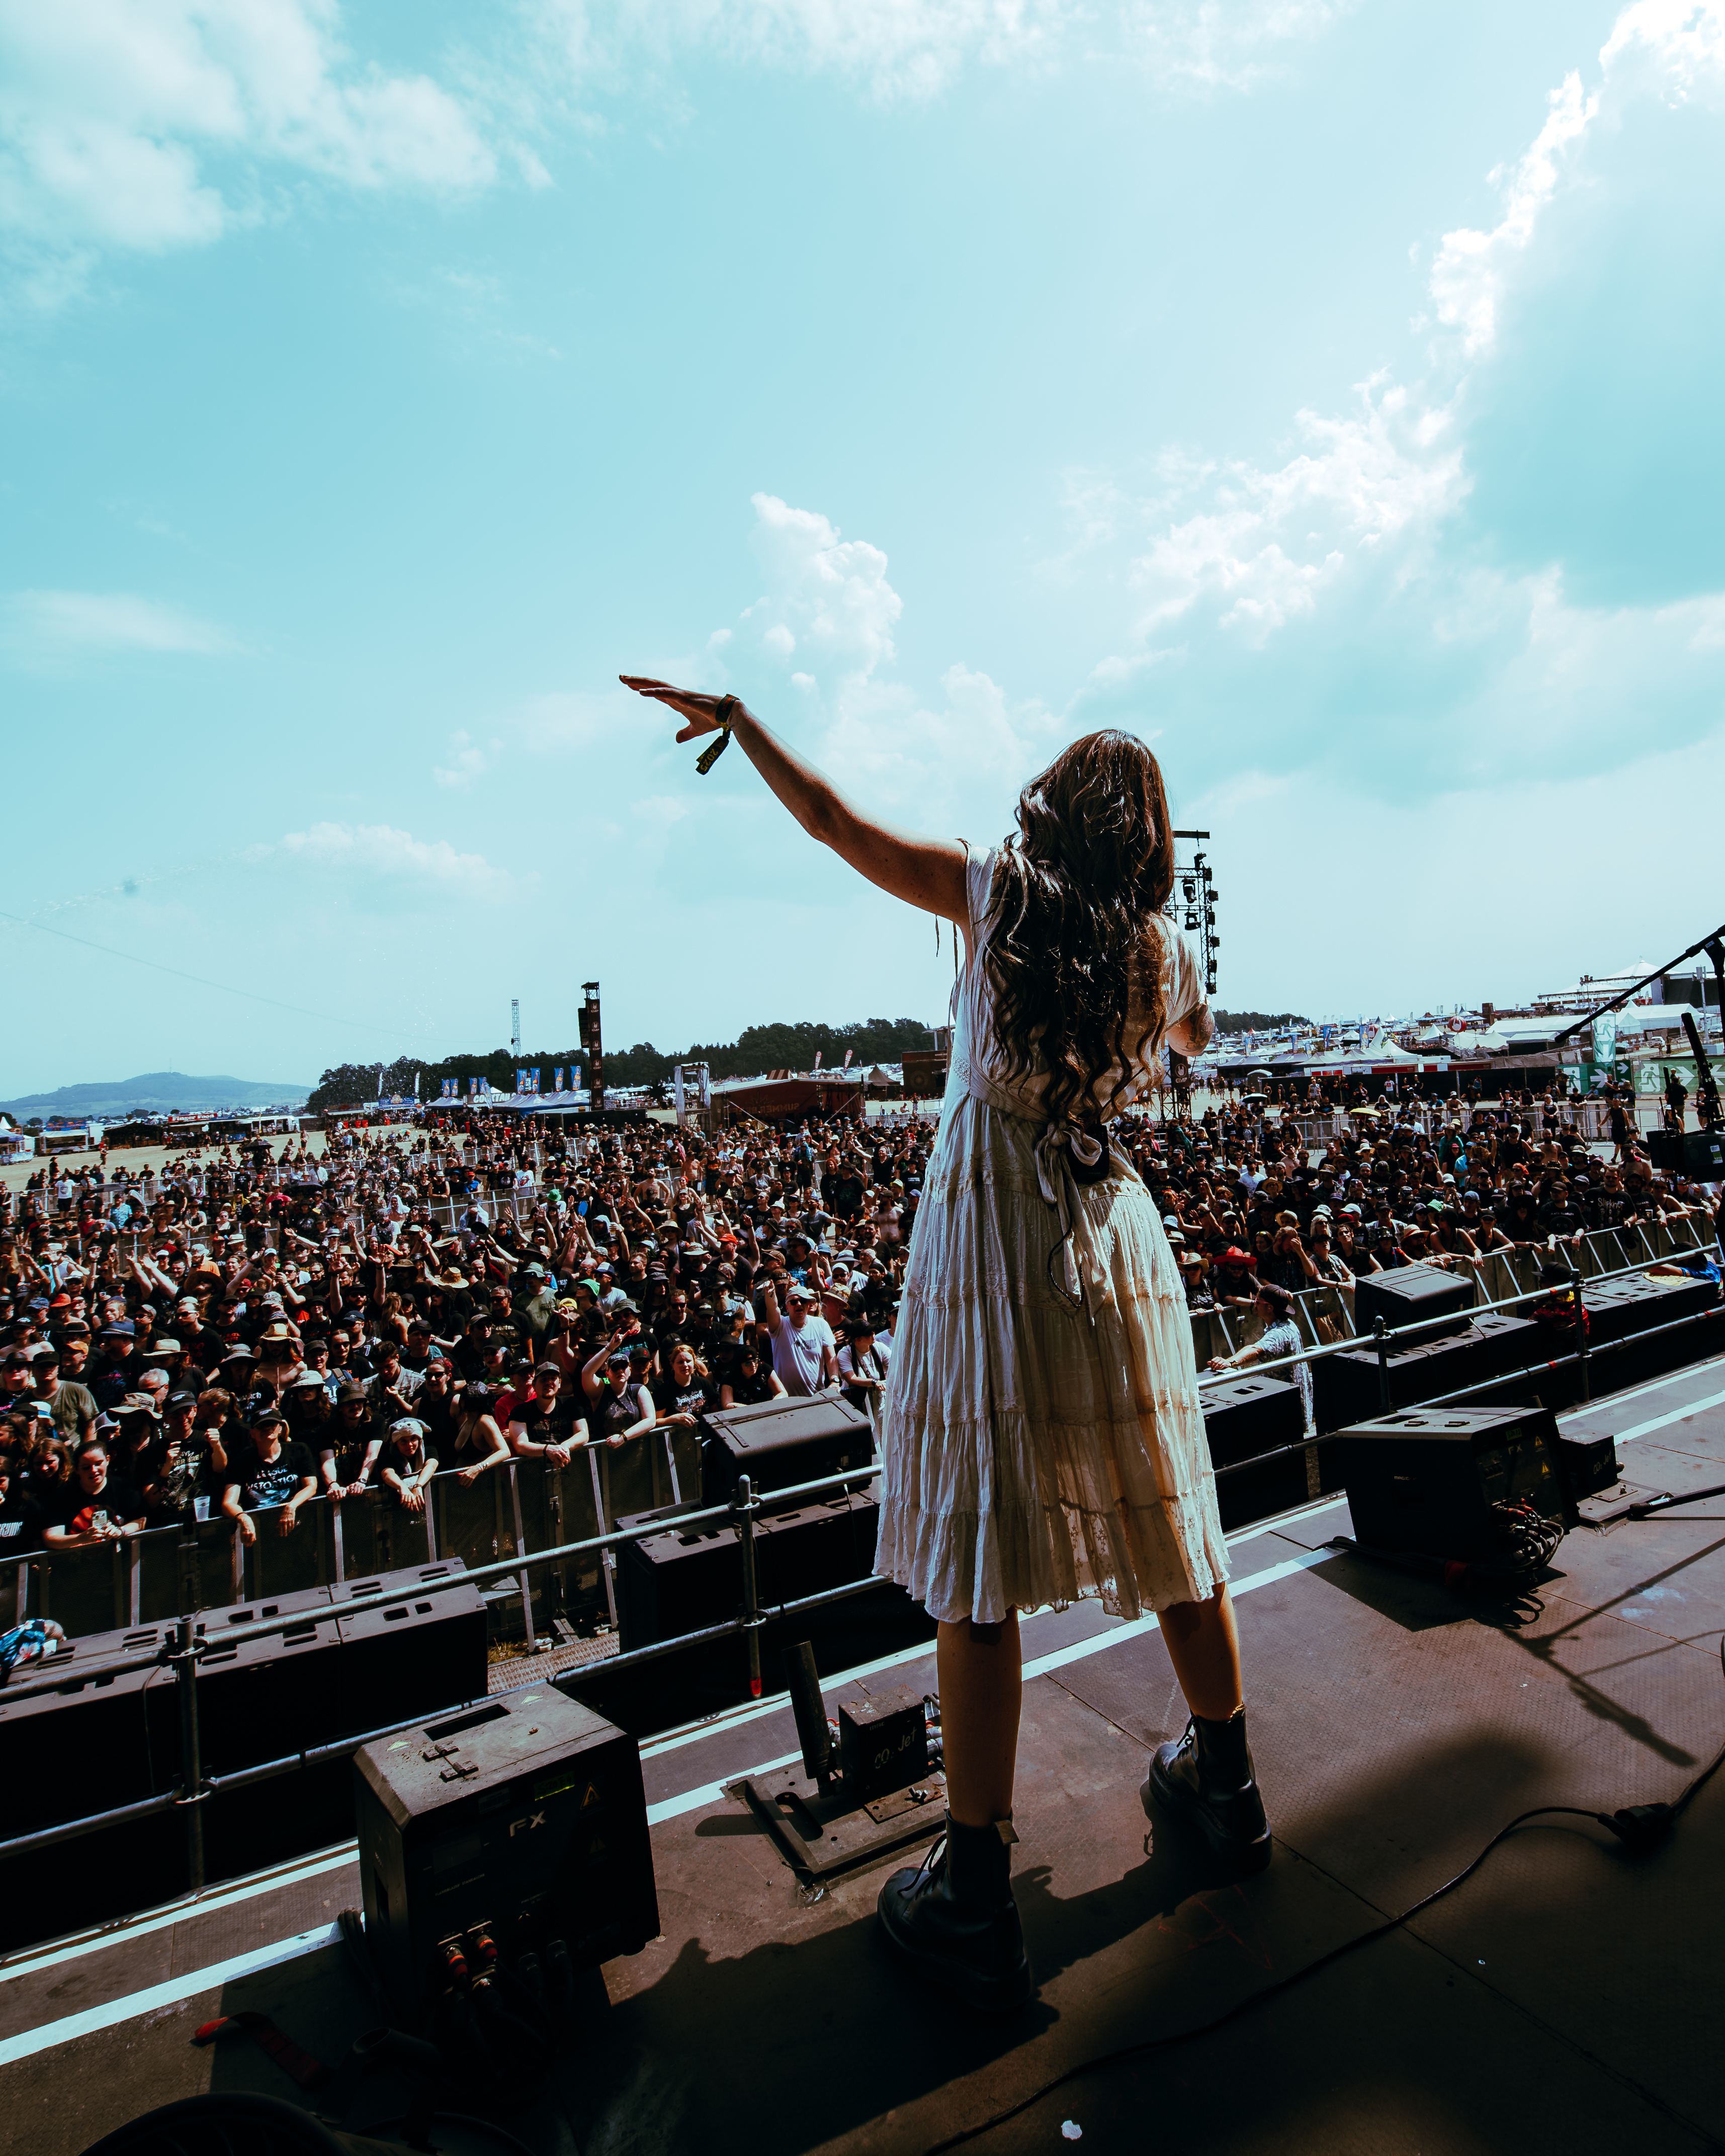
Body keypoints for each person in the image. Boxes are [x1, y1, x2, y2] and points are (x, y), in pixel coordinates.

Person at [627, 683, 1256, 2015]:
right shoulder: (1157, 945)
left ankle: (973, 1886)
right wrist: (1164, 973)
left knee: (976, 1549)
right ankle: (1230, 1783)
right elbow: (1196, 1039)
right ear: (1142, 838)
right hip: (1107, 1221)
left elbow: (831, 822)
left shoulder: (991, 892)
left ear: (1051, 801)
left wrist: (740, 719)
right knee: (1162, 1502)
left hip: (993, 1224)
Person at [222, 1403, 318, 1544]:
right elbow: (228, 1503)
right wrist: (243, 1518)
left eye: (272, 1424)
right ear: (252, 1433)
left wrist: (291, 1506)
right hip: (260, 1537)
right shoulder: (241, 1461)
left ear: (280, 1428)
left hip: (298, 1531)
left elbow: (311, 1486)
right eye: (261, 1426)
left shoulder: (299, 1450)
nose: (267, 1428)